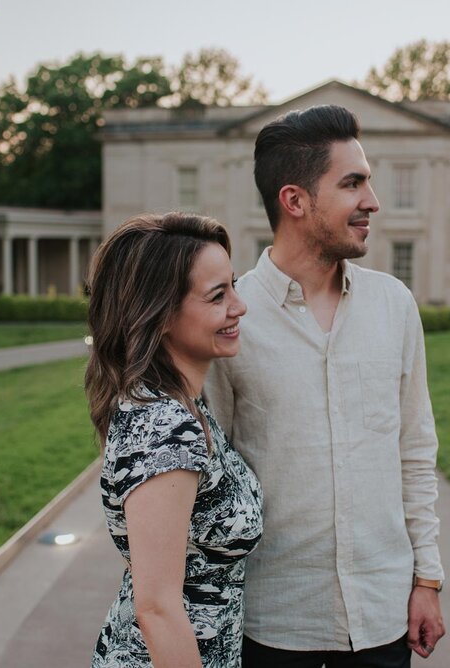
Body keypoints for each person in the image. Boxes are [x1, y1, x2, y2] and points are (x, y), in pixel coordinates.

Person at [206, 105, 446, 666]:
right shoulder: (231, 318)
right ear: (295, 201)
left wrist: (427, 579)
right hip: (272, 625)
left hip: (383, 619)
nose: (373, 201)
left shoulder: (394, 305)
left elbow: (414, 450)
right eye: (353, 183)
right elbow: (208, 476)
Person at [86, 213, 263, 668]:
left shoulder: (179, 404)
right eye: (218, 295)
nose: (239, 306)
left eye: (234, 286)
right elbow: (158, 609)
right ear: (161, 314)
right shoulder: (166, 427)